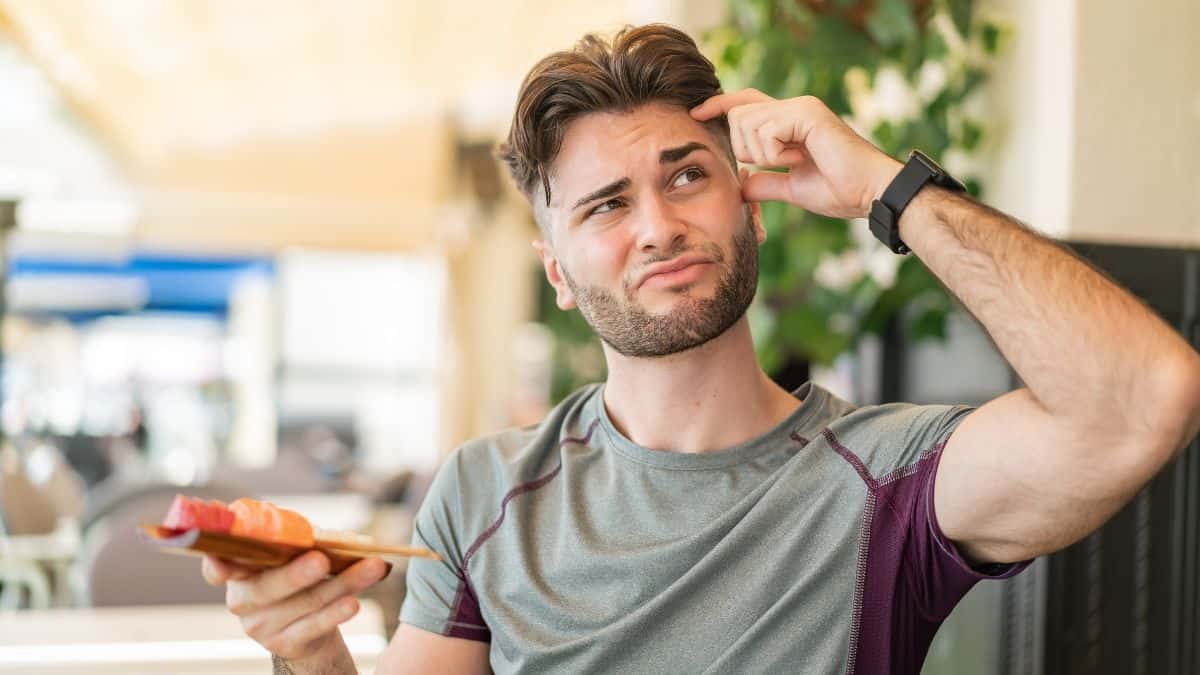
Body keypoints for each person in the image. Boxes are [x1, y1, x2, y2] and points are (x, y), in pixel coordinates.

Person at [202, 24, 1200, 675]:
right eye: (605, 205)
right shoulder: (482, 492)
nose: (656, 227)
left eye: (686, 177)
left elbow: (1145, 397)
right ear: (556, 270)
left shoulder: (891, 479)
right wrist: (314, 656)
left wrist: (882, 191)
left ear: (751, 210)